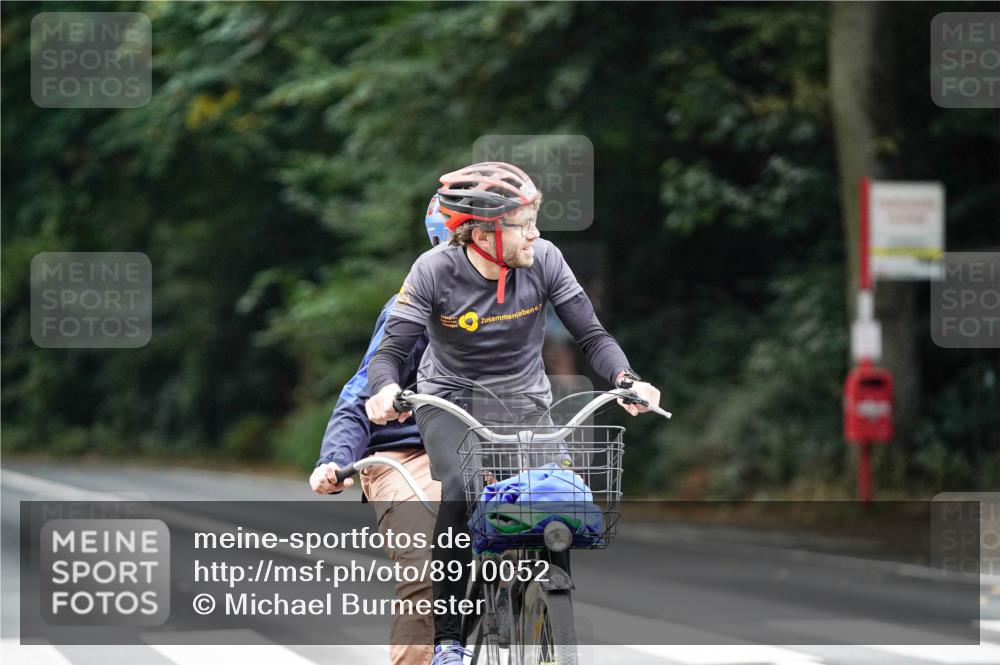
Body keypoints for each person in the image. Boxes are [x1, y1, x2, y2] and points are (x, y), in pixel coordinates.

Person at [364, 162, 661, 665]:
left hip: (526, 404)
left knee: (558, 497)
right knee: (458, 488)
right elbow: (390, 352)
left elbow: (592, 335)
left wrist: (626, 379)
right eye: (523, 223)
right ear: (481, 232)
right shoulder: (433, 271)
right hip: (451, 402)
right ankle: (450, 640)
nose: (535, 233)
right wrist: (386, 389)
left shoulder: (545, 259)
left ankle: (549, 604)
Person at [309, 196, 448, 665]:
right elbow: (358, 395)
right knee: (426, 568)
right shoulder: (408, 310)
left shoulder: (523, 304)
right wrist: (334, 458)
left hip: (486, 451)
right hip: (408, 457)